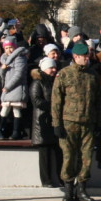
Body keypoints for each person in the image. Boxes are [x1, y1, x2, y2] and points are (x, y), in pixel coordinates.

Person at [52, 42, 101, 201]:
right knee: (69, 157)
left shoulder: (93, 76)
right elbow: (56, 101)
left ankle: (82, 189)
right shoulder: (64, 74)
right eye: (83, 56)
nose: (86, 58)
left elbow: (99, 101)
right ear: (75, 57)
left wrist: (99, 123)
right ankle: (69, 189)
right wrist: (56, 124)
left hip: (88, 122)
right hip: (68, 122)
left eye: (87, 55)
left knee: (86, 157)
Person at [29, 57, 63, 188]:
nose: (53, 70)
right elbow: (36, 101)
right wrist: (53, 106)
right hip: (42, 122)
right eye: (51, 68)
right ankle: (46, 180)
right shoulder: (38, 83)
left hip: (55, 121)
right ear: (44, 69)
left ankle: (61, 178)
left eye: (55, 67)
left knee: (58, 152)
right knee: (45, 154)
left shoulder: (56, 82)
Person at [0, 37, 29, 140]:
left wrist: (7, 87)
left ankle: (16, 131)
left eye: (11, 47)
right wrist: (3, 69)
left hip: (16, 88)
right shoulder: (4, 59)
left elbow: (19, 74)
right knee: (5, 109)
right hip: (7, 89)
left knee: (16, 110)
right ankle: (0, 130)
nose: (8, 50)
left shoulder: (20, 58)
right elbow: (3, 75)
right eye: (6, 48)